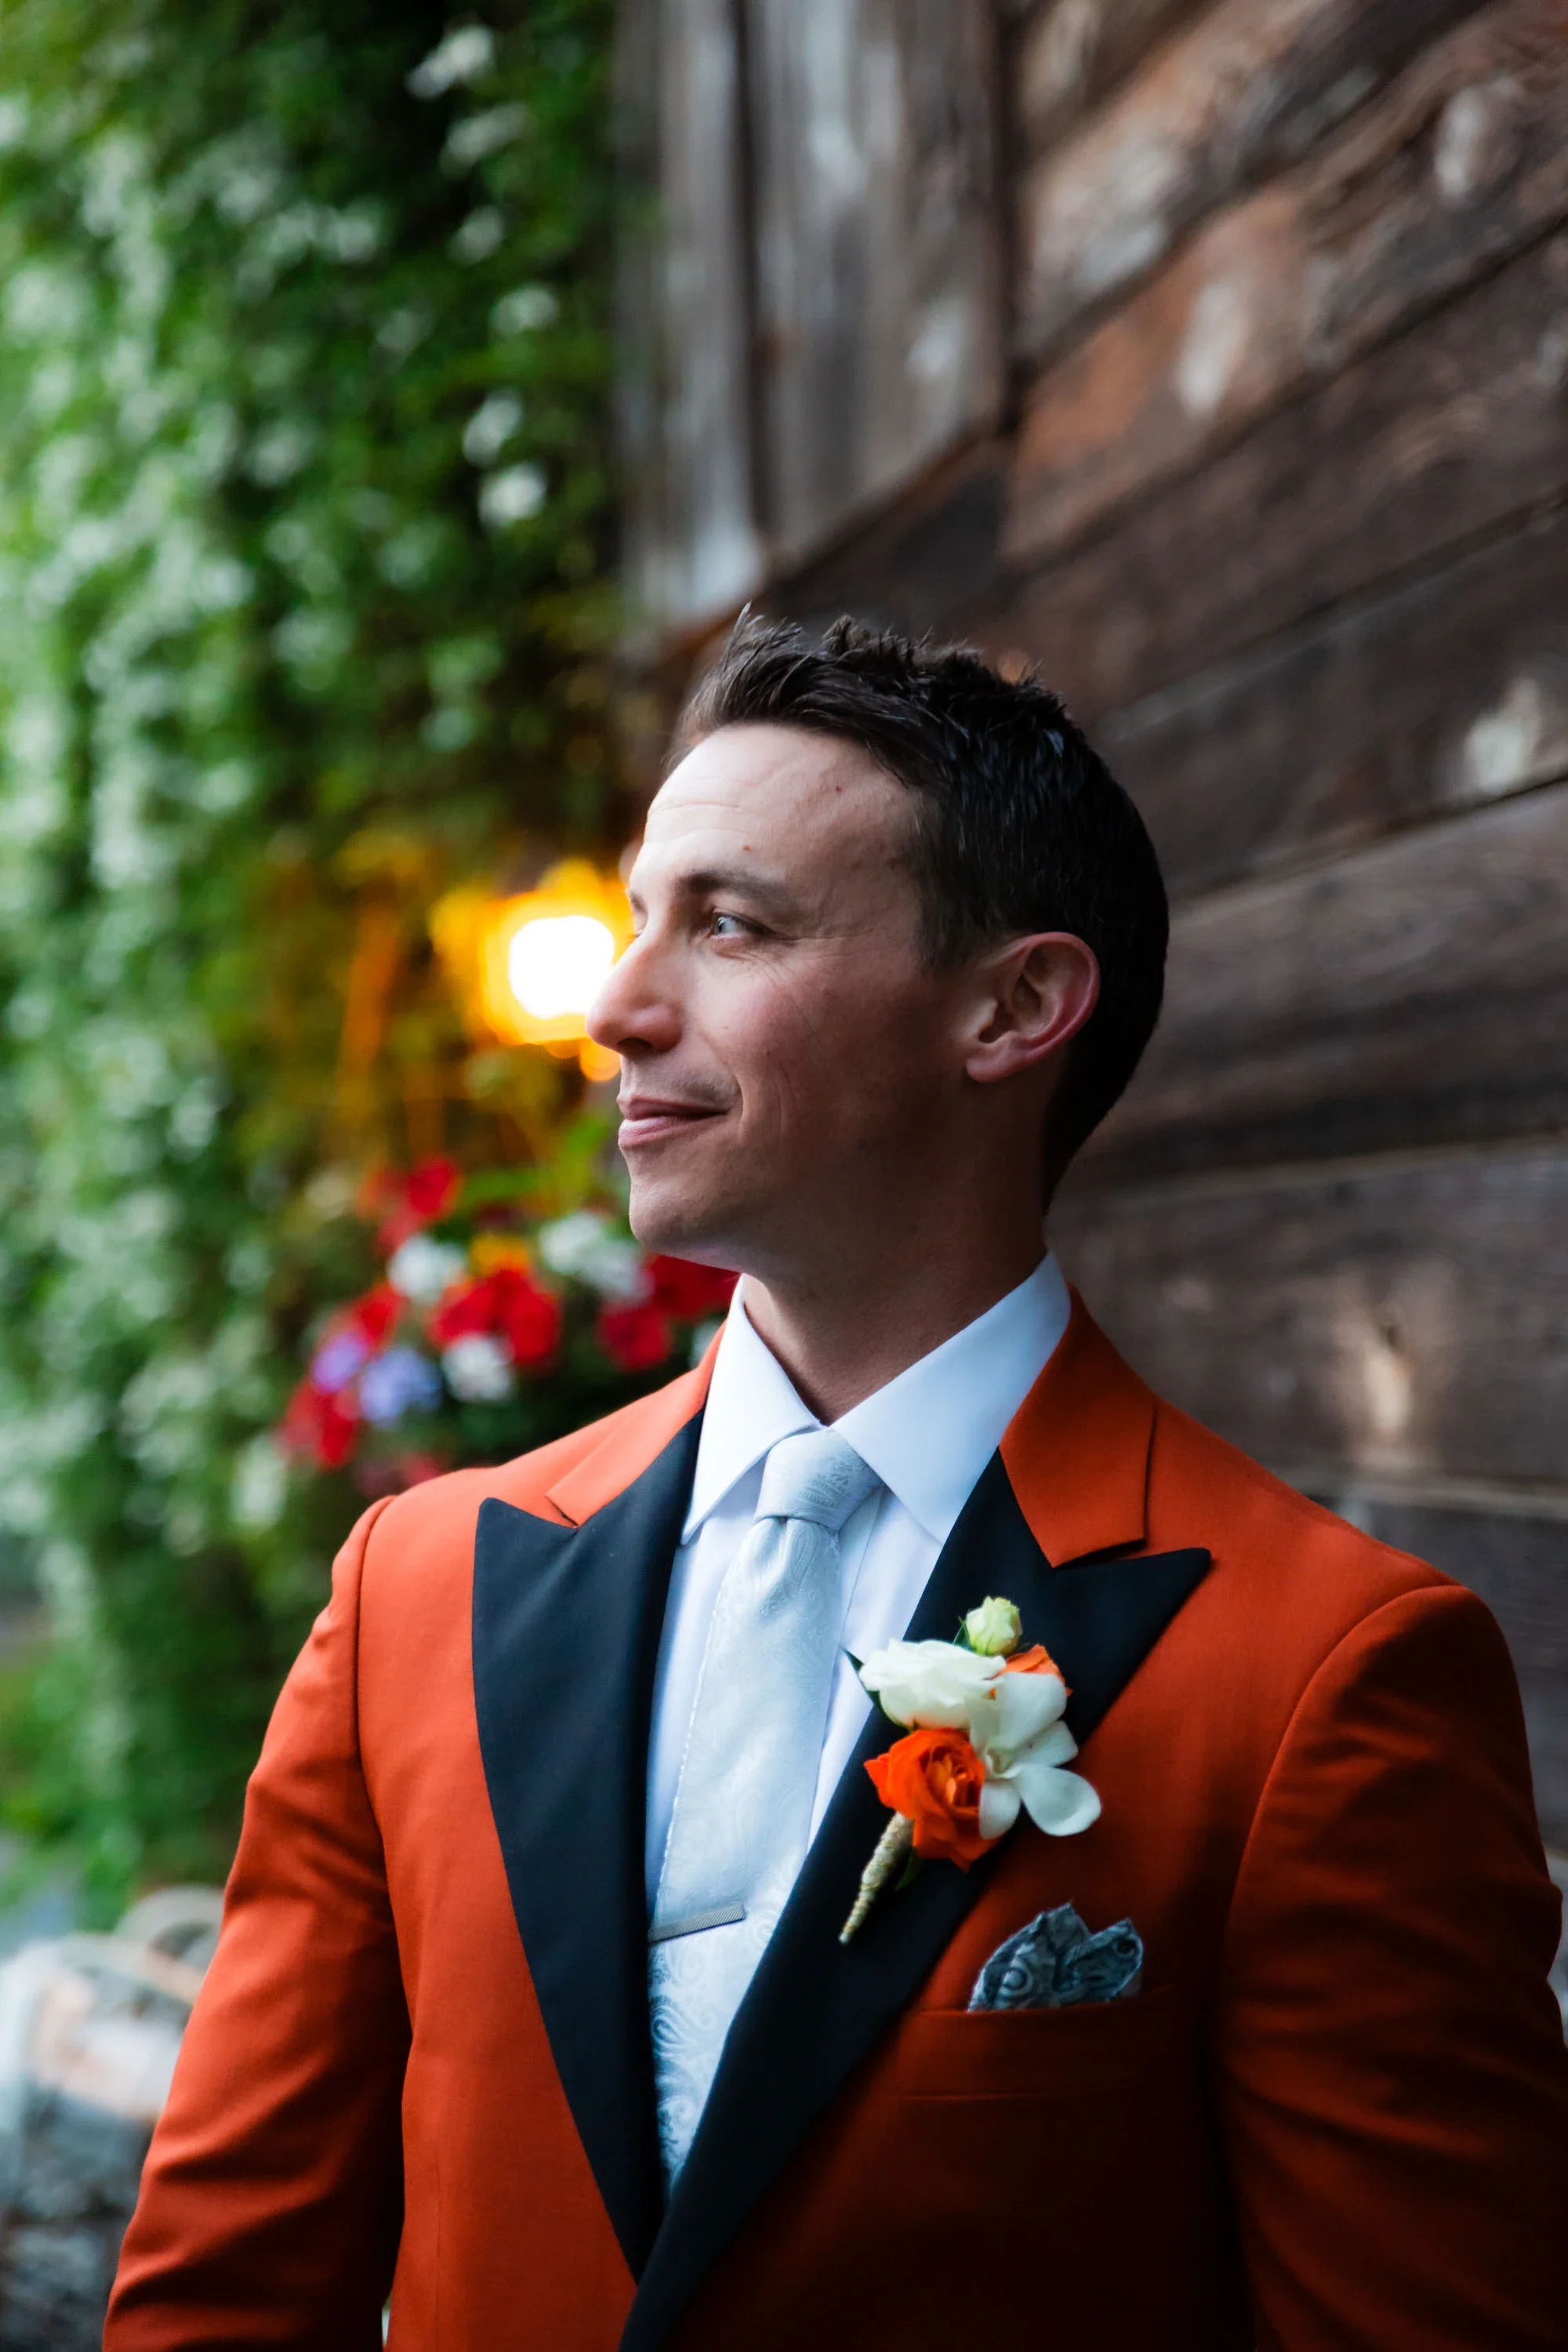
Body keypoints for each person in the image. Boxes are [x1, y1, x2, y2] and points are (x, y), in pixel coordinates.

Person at [107, 619, 1568, 2351]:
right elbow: (226, 2298)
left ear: (1013, 1006)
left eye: (729, 924)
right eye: (643, 916)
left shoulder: (1323, 1673)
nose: (616, 1008)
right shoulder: (417, 1591)